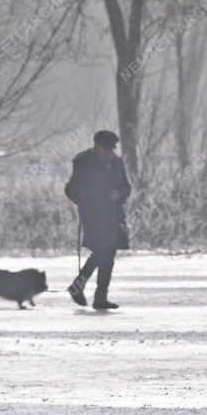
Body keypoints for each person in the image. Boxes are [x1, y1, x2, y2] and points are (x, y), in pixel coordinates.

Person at [65, 129, 131, 310]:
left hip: (114, 215)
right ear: (97, 147)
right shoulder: (83, 162)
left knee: (107, 255)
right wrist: (87, 199)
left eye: (111, 149)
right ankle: (82, 289)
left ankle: (97, 296)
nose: (109, 153)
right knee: (103, 252)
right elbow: (71, 189)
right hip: (93, 215)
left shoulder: (117, 163)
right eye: (106, 149)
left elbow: (126, 187)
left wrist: (120, 194)